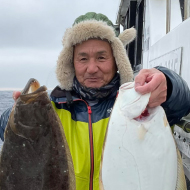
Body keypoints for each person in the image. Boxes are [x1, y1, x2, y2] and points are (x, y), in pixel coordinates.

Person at [0, 12, 190, 190]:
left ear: (116, 59)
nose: (92, 68)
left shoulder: (140, 100)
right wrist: (16, 116)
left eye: (101, 57)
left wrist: (167, 83)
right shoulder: (53, 109)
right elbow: (9, 136)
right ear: (71, 63)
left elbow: (182, 103)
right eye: (83, 58)